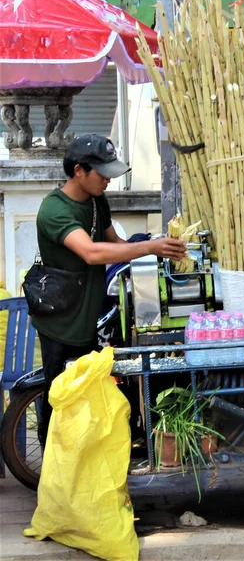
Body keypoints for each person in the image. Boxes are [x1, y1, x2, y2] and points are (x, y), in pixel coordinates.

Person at [33, 134, 187, 444]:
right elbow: (92, 252)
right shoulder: (54, 210)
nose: (108, 180)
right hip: (60, 323)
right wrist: (148, 247)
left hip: (89, 316)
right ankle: (54, 473)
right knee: (61, 401)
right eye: (102, 174)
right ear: (79, 171)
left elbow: (115, 244)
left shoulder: (96, 201)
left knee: (93, 399)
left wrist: (152, 244)